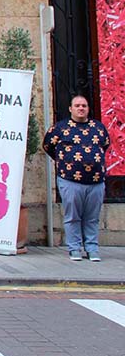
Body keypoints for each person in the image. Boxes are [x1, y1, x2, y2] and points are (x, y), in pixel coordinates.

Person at [42, 94, 109, 262]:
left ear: (88, 109)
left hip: (96, 181)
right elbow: (48, 146)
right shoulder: (60, 128)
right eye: (77, 105)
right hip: (70, 180)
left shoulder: (98, 128)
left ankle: (92, 248)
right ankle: (74, 248)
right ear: (71, 108)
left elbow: (105, 145)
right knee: (72, 216)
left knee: (92, 217)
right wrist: (65, 162)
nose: (81, 108)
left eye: (84, 106)